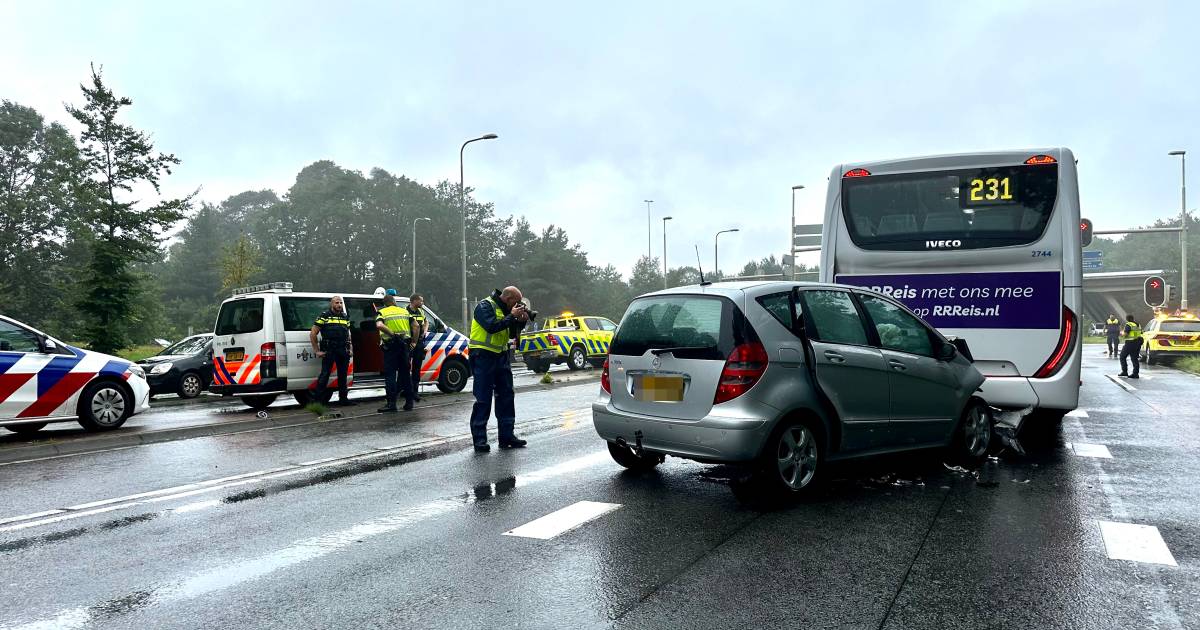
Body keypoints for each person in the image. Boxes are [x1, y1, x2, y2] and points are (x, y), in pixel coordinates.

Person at [468, 286, 530, 452]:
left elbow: (510, 334)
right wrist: (512, 316)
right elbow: (491, 326)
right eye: (516, 302)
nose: (517, 305)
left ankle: (507, 437)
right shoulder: (484, 306)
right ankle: (480, 441)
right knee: (483, 399)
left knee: (506, 397)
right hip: (483, 356)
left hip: (501, 356)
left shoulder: (506, 310)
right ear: (508, 298)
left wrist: (521, 321)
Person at [310, 296, 355, 406]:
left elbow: (348, 334)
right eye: (336, 302)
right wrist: (317, 351)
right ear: (332, 304)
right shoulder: (324, 315)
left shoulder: (345, 317)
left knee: (343, 375)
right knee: (325, 375)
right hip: (329, 349)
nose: (339, 305)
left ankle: (343, 399)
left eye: (340, 303)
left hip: (342, 349)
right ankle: (318, 401)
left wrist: (350, 349)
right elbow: (313, 333)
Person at [376, 294, 417, 412]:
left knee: (390, 375)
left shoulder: (382, 312)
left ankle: (391, 404)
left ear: (385, 303)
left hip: (391, 346)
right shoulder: (404, 312)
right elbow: (416, 326)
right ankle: (409, 403)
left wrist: (392, 334)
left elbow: (379, 325)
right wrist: (414, 342)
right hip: (404, 345)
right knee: (405, 374)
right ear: (394, 301)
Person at [408, 293, 428, 402]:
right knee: (405, 368)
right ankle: (406, 391)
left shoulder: (421, 311)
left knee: (416, 369)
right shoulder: (405, 311)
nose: (422, 303)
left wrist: (424, 331)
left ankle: (415, 392)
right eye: (421, 301)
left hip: (419, 343)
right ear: (414, 301)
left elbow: (426, 321)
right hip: (409, 343)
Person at [1117, 313, 1143, 379]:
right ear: (1133, 318)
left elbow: (1125, 334)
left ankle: (1124, 371)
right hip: (1137, 343)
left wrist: (1121, 333)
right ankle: (1135, 374)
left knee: (1122, 357)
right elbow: (1140, 333)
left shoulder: (1128, 324)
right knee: (1134, 358)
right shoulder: (1138, 324)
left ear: (1127, 319)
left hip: (1130, 343)